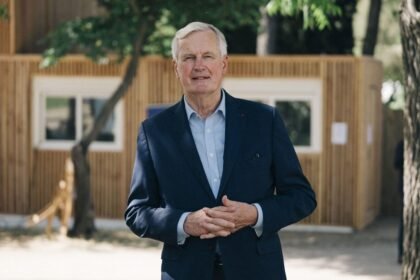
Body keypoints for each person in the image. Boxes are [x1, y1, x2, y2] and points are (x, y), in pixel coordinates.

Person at [125, 21, 317, 280]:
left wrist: (254, 214)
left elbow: (301, 196)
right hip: (186, 272)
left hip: (257, 271)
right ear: (176, 68)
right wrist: (184, 223)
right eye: (189, 57)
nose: (199, 65)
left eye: (207, 56)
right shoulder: (155, 132)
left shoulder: (264, 121)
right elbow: (137, 212)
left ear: (223, 64)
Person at [394, 139, 404, 264]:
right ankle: (401, 253)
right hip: (405, 189)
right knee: (404, 222)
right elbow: (396, 163)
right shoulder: (402, 144)